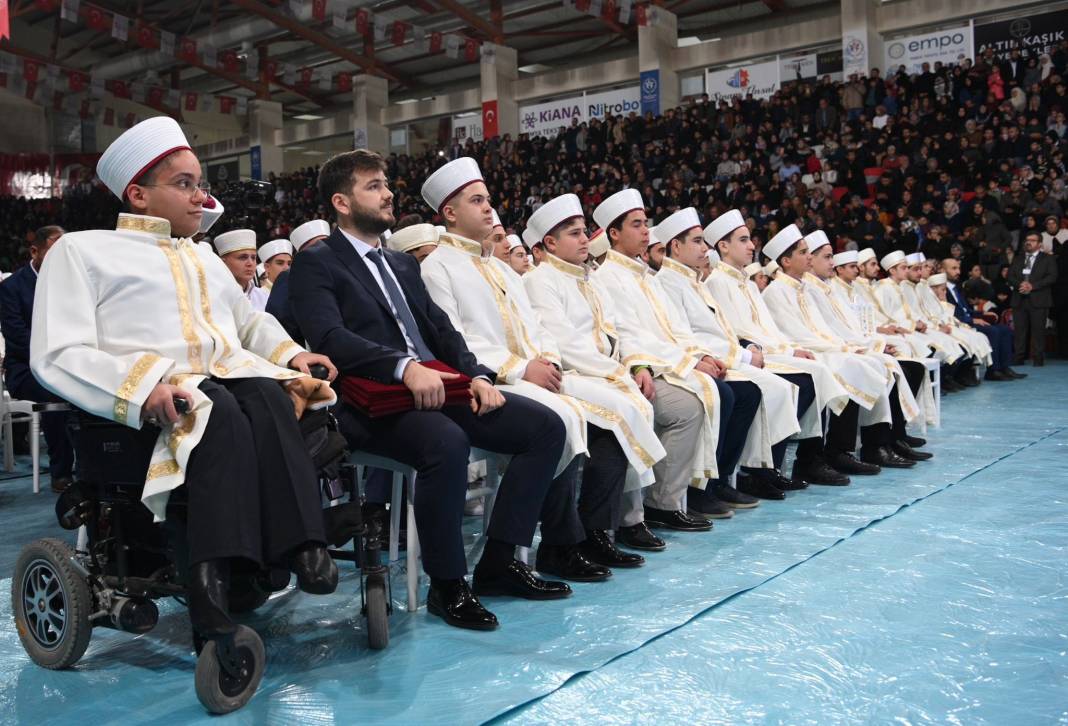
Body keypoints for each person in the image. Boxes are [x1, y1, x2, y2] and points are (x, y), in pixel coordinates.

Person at [30, 116, 339, 646]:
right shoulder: (82, 251)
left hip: (227, 378)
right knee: (218, 409)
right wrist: (140, 388)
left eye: (200, 183)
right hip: (160, 393)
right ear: (138, 195)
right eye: (184, 184)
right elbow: (58, 351)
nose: (201, 196)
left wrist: (292, 353)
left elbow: (248, 323)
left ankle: (303, 544)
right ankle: (210, 579)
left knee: (267, 394)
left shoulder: (203, 257)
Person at [289, 149, 572, 631]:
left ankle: (499, 561)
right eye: (374, 186)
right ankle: (448, 584)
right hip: (371, 401)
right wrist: (402, 368)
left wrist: (477, 376)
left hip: (438, 385)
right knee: (447, 441)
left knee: (545, 427)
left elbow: (442, 331)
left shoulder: (400, 264)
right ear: (341, 202)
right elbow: (330, 338)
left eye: (386, 184)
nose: (388, 193)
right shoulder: (317, 262)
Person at [420, 158, 647, 578]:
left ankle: (577, 537)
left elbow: (536, 327)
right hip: (487, 381)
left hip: (532, 375)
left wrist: (548, 360)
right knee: (561, 419)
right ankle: (553, 545)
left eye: (488, 199)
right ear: (449, 212)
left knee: (593, 416)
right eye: (476, 201)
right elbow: (455, 342)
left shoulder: (497, 267)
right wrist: (521, 369)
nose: (489, 208)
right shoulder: (436, 267)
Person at [592, 189, 747, 531]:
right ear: (614, 233)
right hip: (641, 367)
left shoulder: (646, 276)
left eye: (645, 223)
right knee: (688, 407)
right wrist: (672, 363)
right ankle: (661, 502)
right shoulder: (606, 277)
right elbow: (627, 335)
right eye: (636, 225)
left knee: (716, 392)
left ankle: (678, 496)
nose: (646, 231)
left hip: (666, 362)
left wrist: (698, 355)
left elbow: (675, 328)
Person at [653, 207, 813, 507]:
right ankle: (712, 483)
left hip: (721, 355)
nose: (705, 248)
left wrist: (745, 351)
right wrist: (726, 356)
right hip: (692, 360)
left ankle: (735, 475)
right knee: (745, 392)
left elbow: (721, 331)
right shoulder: (669, 281)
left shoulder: (692, 280)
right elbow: (685, 335)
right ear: (676, 246)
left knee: (767, 388)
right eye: (698, 241)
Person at [704, 210, 853, 487]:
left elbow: (769, 329)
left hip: (769, 350)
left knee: (815, 375)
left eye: (750, 239)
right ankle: (761, 467)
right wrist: (786, 351)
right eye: (743, 240)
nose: (752, 246)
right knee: (805, 381)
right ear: (723, 246)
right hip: (751, 354)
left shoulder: (748, 284)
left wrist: (790, 349)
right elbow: (740, 332)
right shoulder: (717, 282)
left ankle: (787, 462)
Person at [761, 226, 917, 470]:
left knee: (873, 363)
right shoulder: (776, 291)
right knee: (853, 367)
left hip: (823, 349)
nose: (809, 257)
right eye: (804, 252)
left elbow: (824, 329)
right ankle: (834, 451)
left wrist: (848, 346)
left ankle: (877, 443)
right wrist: (844, 349)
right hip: (805, 351)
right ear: (786, 261)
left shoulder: (802, 289)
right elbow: (797, 334)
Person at [0, 225, 75, 493]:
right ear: (35, 251)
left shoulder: (71, 284)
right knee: (56, 392)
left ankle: (96, 467)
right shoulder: (11, 288)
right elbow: (17, 338)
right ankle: (61, 472)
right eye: (55, 250)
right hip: (26, 369)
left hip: (68, 364)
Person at [265, 219, 333, 342]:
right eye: (316, 246)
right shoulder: (289, 277)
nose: (323, 248)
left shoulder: (344, 270)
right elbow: (280, 322)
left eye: (326, 243)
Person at [1008, 231, 1058, 366]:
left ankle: (1038, 358)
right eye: (1027, 240)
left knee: (1038, 331)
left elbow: (1052, 277)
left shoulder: (1048, 259)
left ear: (1040, 244)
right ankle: (1019, 357)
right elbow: (1010, 276)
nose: (1028, 242)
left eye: (1033, 240)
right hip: (1019, 299)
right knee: (1019, 331)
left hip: (1039, 299)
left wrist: (1032, 286)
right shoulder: (1018, 258)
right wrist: (1021, 284)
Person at [214, 230, 270, 311]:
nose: (250, 263)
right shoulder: (215, 296)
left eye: (253, 258)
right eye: (243, 257)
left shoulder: (264, 296)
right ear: (223, 262)